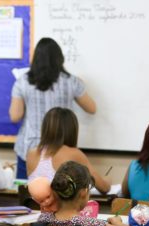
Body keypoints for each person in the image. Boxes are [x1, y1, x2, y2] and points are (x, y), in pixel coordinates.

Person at [9, 37, 96, 179]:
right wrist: (81, 84)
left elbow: (15, 116)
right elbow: (92, 108)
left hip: (30, 149)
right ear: (59, 58)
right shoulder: (71, 81)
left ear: (35, 58)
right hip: (61, 150)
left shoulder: (23, 82)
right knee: (62, 194)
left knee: (27, 195)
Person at [26, 107, 111, 211]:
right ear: (72, 130)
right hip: (60, 219)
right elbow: (103, 188)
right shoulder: (74, 153)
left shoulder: (31, 154)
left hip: (34, 218)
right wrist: (108, 180)